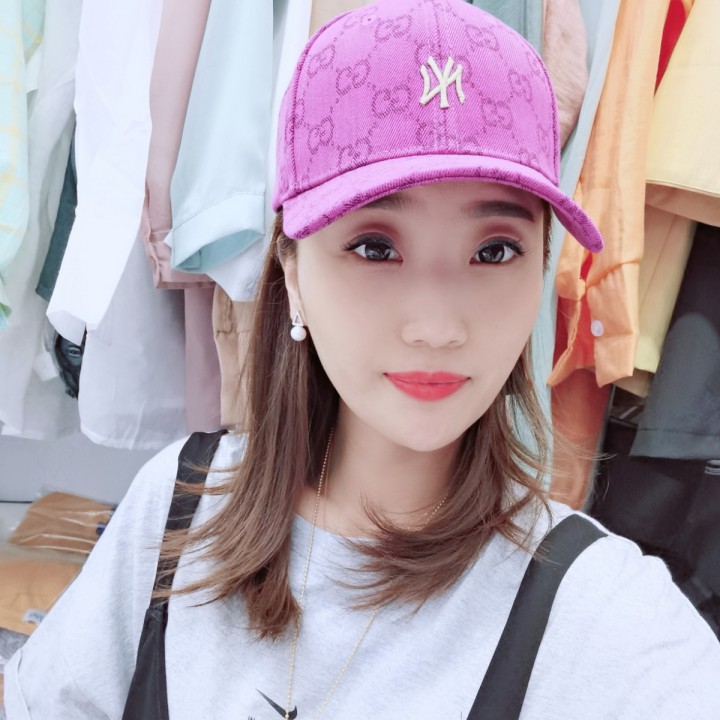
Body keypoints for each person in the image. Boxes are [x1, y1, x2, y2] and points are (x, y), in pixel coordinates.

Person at [4, 0, 720, 718]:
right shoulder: (180, 507)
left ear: (540, 267)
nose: (436, 327)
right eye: (376, 247)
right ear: (291, 271)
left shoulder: (603, 620)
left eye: (495, 250)